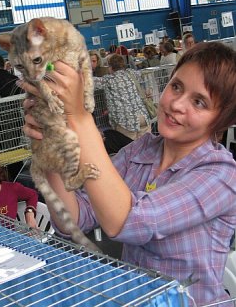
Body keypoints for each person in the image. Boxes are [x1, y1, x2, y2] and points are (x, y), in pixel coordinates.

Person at [21, 42, 236, 305]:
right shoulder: (140, 151)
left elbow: (129, 221)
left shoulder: (221, 174)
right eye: (176, 86)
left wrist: (79, 117)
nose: (177, 104)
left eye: (199, 102)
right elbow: (74, 221)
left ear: (223, 120)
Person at [92, 54, 151, 154]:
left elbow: (90, 82)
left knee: (130, 152)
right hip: (143, 117)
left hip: (126, 121)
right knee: (146, 149)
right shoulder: (131, 73)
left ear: (110, 67)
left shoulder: (108, 80)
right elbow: (144, 74)